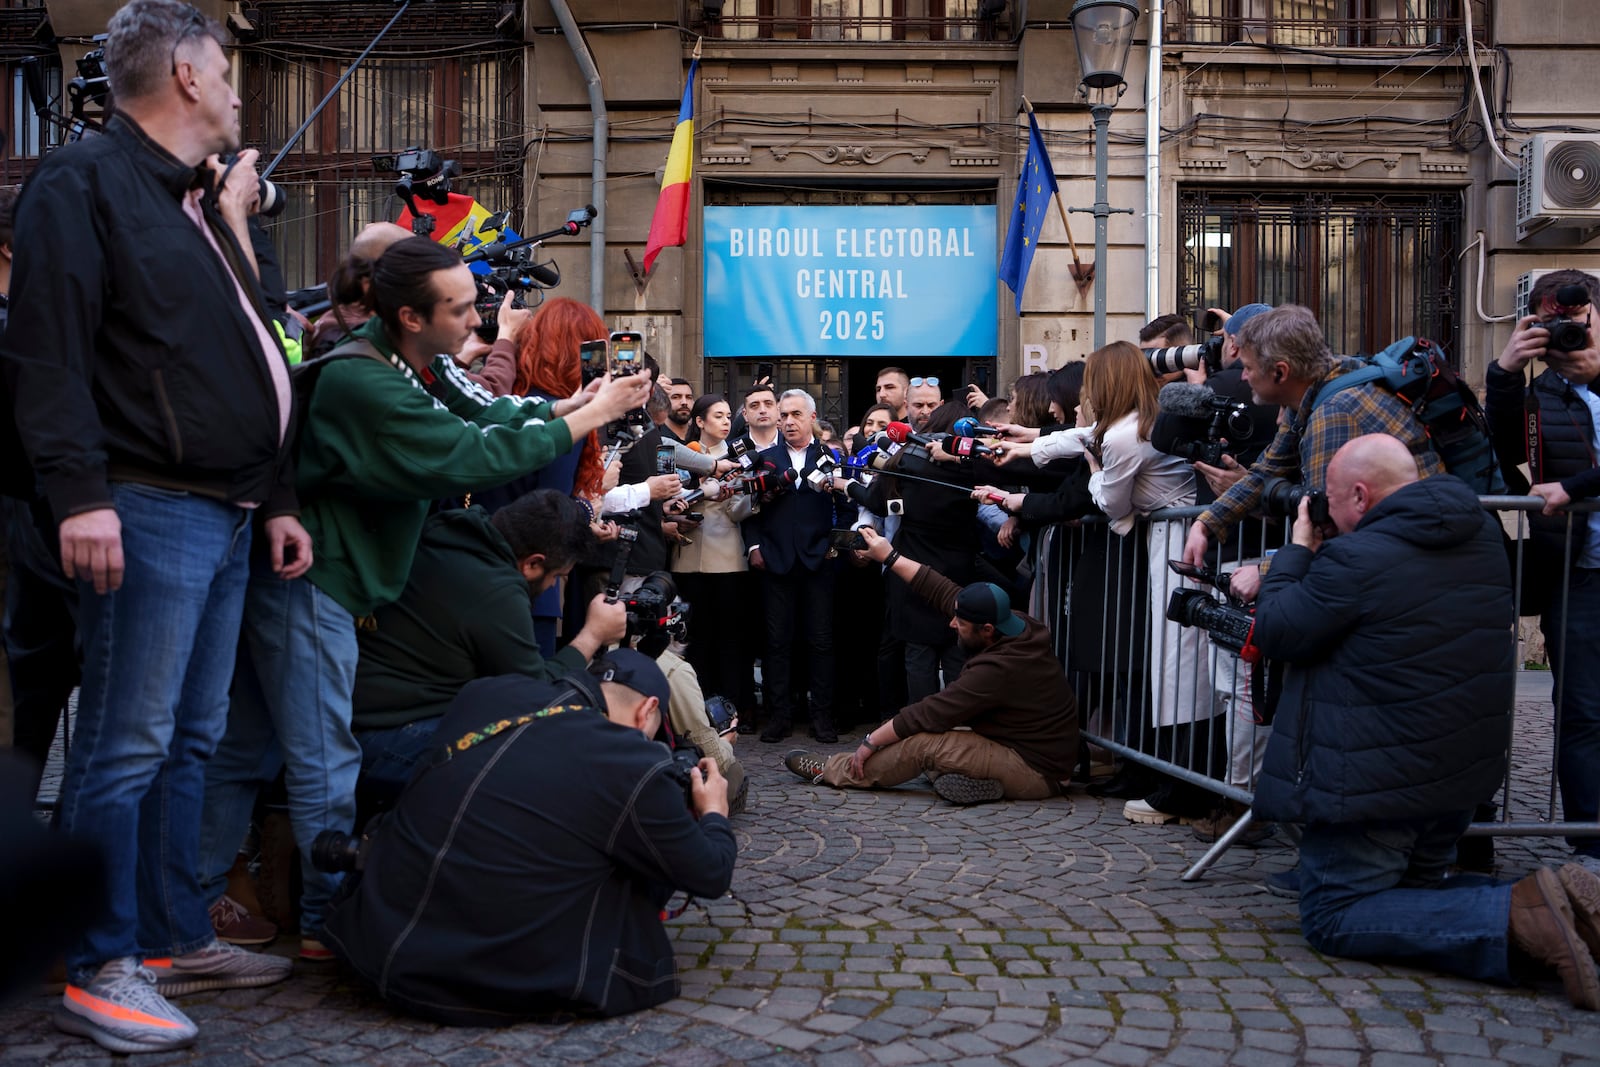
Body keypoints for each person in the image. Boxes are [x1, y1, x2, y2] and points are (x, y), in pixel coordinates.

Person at [196, 237, 650, 961]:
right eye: (462, 308)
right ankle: (324, 921)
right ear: (410, 315)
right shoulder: (366, 382)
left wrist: (570, 403)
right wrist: (592, 418)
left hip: (324, 578)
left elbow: (490, 417)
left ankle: (197, 902)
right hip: (317, 584)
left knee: (246, 744)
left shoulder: (418, 361)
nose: (481, 321)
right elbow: (474, 456)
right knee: (322, 758)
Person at [0, 1, 310, 1051]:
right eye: (227, 69)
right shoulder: (83, 181)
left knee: (189, 736)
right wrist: (79, 491)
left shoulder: (197, 203)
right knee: (123, 743)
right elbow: (47, 351)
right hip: (143, 500)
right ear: (184, 72)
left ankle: (173, 933)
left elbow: (254, 349)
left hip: (220, 510)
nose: (236, 88)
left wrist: (272, 498)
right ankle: (99, 964)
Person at [1249, 433, 1600, 1011]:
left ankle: (1520, 913)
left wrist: (1299, 548)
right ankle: (1559, 904)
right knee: (1417, 890)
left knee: (1334, 914)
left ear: (1360, 497)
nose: (1327, 513)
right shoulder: (1482, 536)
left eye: (1332, 502)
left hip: (1374, 786)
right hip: (1458, 780)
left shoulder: (1355, 559)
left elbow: (1280, 628)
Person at [322, 651, 736, 1023]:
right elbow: (710, 873)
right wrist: (714, 811)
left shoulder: (482, 695)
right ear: (646, 711)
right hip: (497, 983)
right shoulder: (631, 761)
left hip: (379, 947)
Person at [351, 491, 628, 805]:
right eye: (558, 577)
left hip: (363, 721)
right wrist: (592, 635)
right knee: (542, 759)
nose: (553, 587)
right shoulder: (496, 589)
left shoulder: (454, 533)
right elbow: (535, 695)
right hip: (386, 740)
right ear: (533, 564)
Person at [784, 526, 1077, 805]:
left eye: (959, 623)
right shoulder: (1015, 624)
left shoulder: (1000, 668)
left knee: (924, 744)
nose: (951, 624)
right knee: (935, 739)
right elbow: (937, 587)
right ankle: (976, 779)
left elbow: (929, 711)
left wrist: (871, 741)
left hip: (1037, 772)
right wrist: (888, 555)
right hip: (1020, 749)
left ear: (986, 629)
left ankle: (837, 769)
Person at [1181, 304, 1445, 591]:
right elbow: (1265, 471)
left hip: (1416, 570)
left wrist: (1263, 572)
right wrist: (1205, 524)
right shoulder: (1316, 391)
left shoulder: (1333, 414)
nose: (1243, 377)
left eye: (1248, 368)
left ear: (1280, 373)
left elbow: (1326, 524)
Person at [1483, 268, 1600, 867]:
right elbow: (1504, 454)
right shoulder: (1538, 394)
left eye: (1574, 322)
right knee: (1580, 708)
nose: (1562, 335)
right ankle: (1590, 846)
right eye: (1549, 323)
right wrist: (1503, 374)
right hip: (1574, 570)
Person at [743, 389, 840, 743]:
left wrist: (837, 545)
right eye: (783, 415)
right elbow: (749, 508)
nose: (787, 422)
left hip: (819, 562)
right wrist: (754, 546)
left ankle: (822, 718)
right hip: (776, 561)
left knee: (821, 642)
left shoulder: (830, 456)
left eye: (795, 415)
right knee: (776, 643)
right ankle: (779, 716)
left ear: (812, 418)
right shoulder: (765, 458)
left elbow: (844, 508)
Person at [671, 393, 756, 716]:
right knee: (694, 638)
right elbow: (666, 494)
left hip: (728, 558)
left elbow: (740, 512)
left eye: (726, 416)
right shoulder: (681, 454)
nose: (724, 422)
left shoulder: (739, 458)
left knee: (732, 638)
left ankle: (738, 709)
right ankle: (696, 709)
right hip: (687, 554)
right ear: (699, 421)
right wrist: (697, 491)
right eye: (716, 416)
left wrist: (742, 490)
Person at [661, 377, 696, 442]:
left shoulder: (700, 437)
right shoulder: (656, 437)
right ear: (664, 402)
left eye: (689, 397)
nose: (684, 402)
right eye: (676, 397)